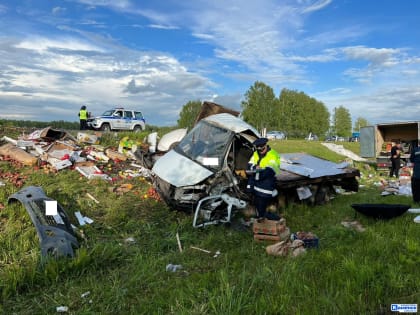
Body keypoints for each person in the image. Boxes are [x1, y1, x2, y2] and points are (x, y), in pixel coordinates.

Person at [246, 137, 281, 220]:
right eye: (258, 148)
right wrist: (255, 167)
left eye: (262, 148)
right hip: (256, 185)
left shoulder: (273, 155)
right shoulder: (255, 153)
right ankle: (260, 217)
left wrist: (256, 172)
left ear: (266, 145)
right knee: (257, 203)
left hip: (266, 185)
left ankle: (270, 219)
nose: (260, 150)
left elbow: (269, 171)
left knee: (262, 204)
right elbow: (249, 165)